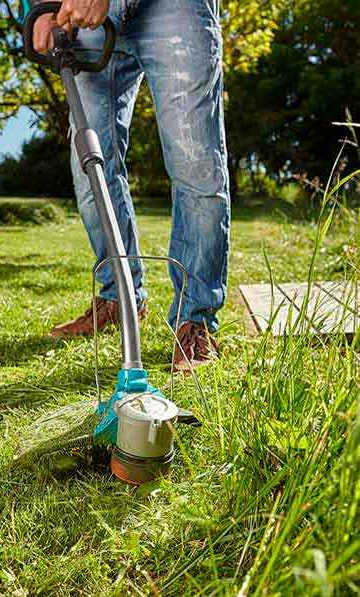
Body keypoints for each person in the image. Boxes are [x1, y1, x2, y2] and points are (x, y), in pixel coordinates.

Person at [28, 0, 230, 369]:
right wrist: (38, 8)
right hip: (84, 17)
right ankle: (120, 297)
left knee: (195, 163)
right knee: (91, 168)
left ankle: (195, 320)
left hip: (175, 8)